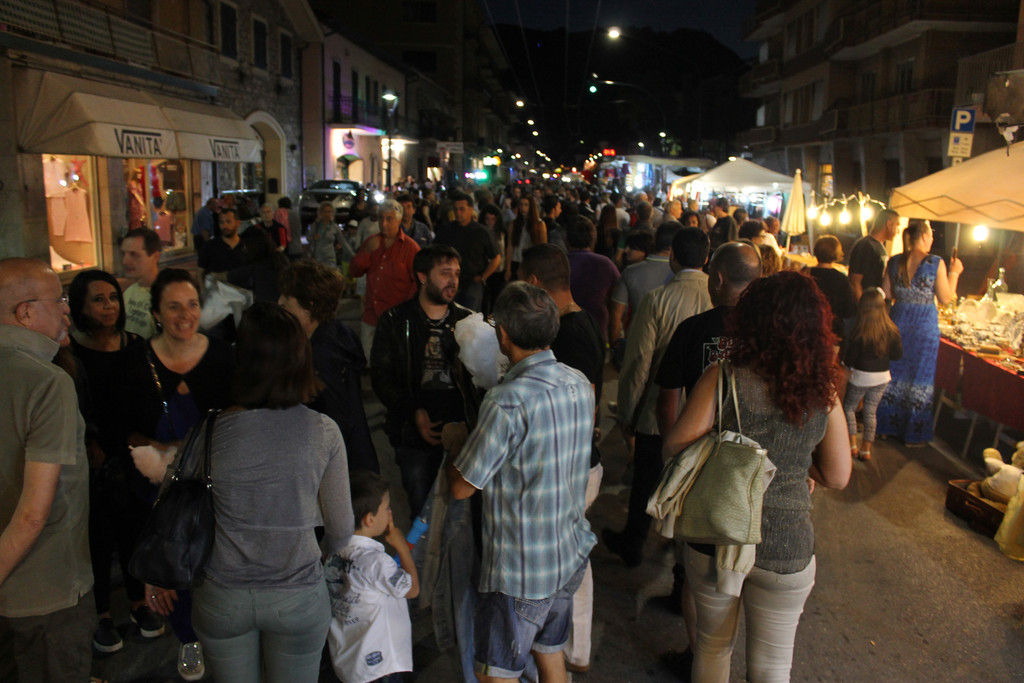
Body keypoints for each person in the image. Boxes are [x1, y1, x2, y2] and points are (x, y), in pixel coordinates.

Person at [148, 302, 353, 683]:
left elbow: (168, 504)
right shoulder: (324, 432)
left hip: (222, 595)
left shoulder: (207, 431)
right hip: (297, 594)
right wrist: (320, 554)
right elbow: (341, 528)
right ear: (300, 359)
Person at [662, 271, 852, 683]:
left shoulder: (723, 375)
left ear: (749, 320)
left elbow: (675, 444)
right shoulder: (824, 391)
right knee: (771, 669)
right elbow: (838, 476)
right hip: (786, 544)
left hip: (717, 532)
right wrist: (795, 464)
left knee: (712, 648)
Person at [448, 282, 596, 683]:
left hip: (521, 572)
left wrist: (457, 442)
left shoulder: (506, 401)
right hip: (567, 555)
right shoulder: (578, 383)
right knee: (549, 652)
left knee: (495, 674)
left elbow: (462, 487)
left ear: (503, 335)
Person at [124, 268, 234, 681]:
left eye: (192, 305)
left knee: (217, 560)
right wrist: (159, 448)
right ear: (156, 313)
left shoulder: (224, 355)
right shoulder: (135, 362)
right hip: (159, 487)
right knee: (173, 561)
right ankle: (188, 636)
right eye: (174, 307)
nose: (185, 315)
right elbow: (122, 428)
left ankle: (223, 635)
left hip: (217, 480)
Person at [0, 258, 94, 682]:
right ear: (25, 312)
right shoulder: (47, 382)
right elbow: (33, 514)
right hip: (46, 591)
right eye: (58, 300)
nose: (67, 309)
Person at [517, 245, 604, 675]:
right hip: (582, 461)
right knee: (574, 557)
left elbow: (580, 404)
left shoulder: (568, 335)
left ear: (534, 284)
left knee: (566, 563)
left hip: (573, 465)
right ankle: (573, 649)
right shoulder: (584, 321)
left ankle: (564, 649)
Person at [604, 228, 712, 568]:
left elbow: (639, 363)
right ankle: (682, 562)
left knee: (646, 481)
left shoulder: (657, 300)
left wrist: (627, 414)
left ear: (672, 257)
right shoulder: (718, 299)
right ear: (706, 258)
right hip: (705, 414)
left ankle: (634, 543)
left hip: (657, 412)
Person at [67, 270, 162, 653]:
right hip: (92, 457)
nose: (108, 306)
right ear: (81, 306)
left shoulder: (135, 345)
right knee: (98, 536)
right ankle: (102, 613)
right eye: (98, 299)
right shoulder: (72, 353)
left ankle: (138, 603)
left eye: (112, 298)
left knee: (134, 530)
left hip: (132, 452)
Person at [371, 245, 480, 521]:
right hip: (414, 436)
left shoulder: (468, 320)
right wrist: (412, 411)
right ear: (422, 276)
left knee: (460, 518)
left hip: (462, 434)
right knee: (422, 513)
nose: (453, 280)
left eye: (456, 273)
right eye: (445, 273)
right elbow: (381, 376)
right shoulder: (395, 321)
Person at [279, 260, 378, 473]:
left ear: (310, 305)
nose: (280, 303)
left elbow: (336, 422)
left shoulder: (323, 357)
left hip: (342, 468)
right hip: (356, 458)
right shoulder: (338, 333)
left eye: (287, 300)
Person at [326, 470, 418, 683]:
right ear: (370, 519)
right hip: (380, 666)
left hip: (350, 665)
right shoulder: (377, 562)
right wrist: (401, 546)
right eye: (386, 508)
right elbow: (412, 589)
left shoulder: (331, 554)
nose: (390, 512)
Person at [876, 220, 962, 445]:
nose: (932, 239)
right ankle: (912, 434)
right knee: (920, 379)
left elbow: (886, 294)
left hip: (898, 322)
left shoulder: (895, 261)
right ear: (924, 236)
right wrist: (954, 273)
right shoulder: (935, 263)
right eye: (930, 235)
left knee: (894, 375)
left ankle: (885, 427)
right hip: (924, 327)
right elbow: (945, 297)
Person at [350, 197, 421, 362]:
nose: (384, 223)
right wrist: (366, 252)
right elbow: (354, 271)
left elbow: (417, 283)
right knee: (370, 360)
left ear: (399, 221)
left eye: (389, 219)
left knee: (394, 362)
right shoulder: (372, 242)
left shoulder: (410, 248)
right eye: (381, 218)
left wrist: (405, 311)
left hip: (395, 317)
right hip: (371, 315)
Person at [842, 288, 903, 461]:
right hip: (882, 377)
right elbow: (897, 355)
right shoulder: (892, 330)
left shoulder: (859, 330)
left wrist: (845, 366)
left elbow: (850, 358)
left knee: (849, 408)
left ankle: (852, 445)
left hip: (861, 376)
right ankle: (866, 449)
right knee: (870, 412)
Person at [433, 191, 500, 311]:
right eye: (456, 209)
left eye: (462, 209)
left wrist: (483, 277)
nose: (458, 213)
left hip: (471, 282)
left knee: (469, 315)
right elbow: (434, 252)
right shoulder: (446, 230)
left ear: (470, 209)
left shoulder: (481, 232)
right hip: (448, 281)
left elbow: (496, 257)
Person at [566, 217, 620, 342]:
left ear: (567, 239)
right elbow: (616, 298)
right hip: (597, 326)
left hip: (565, 326)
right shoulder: (605, 263)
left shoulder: (560, 262)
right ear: (593, 239)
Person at [810, 235, 857, 342]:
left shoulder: (805, 273)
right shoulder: (841, 279)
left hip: (807, 327)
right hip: (831, 330)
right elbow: (849, 310)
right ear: (835, 252)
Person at [848, 208, 899, 301]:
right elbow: (855, 281)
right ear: (889, 224)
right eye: (897, 225)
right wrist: (862, 306)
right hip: (867, 304)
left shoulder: (880, 247)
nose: (898, 231)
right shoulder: (865, 246)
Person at [121, 226, 162, 338]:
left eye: (134, 255)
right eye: (124, 254)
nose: (125, 261)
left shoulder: (166, 295)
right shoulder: (129, 292)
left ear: (155, 257)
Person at [227, 227, 288, 302]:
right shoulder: (279, 258)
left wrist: (216, 276)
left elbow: (232, 275)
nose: (244, 248)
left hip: (268, 305)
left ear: (252, 245)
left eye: (245, 245)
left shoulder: (258, 265)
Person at [506, 195, 546, 281]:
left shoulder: (539, 224)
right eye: (521, 204)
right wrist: (508, 268)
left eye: (526, 205)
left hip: (531, 263)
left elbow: (543, 248)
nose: (523, 208)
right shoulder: (514, 224)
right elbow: (510, 246)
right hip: (516, 261)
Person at [308, 201, 350, 270]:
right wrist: (313, 238)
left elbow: (343, 242)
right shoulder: (315, 225)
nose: (327, 214)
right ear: (321, 213)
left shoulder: (334, 227)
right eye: (325, 212)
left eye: (329, 212)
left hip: (330, 258)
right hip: (318, 258)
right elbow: (308, 238)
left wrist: (352, 255)